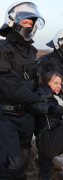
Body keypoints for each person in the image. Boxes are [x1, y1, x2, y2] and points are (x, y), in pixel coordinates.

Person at [0, 2, 47, 179]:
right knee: (11, 164)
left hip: (27, 117)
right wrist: (41, 100)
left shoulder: (32, 52)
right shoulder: (2, 50)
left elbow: (36, 82)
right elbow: (12, 88)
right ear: (13, 22)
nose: (29, 26)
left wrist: (45, 91)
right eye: (25, 22)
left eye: (31, 24)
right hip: (6, 116)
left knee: (24, 160)